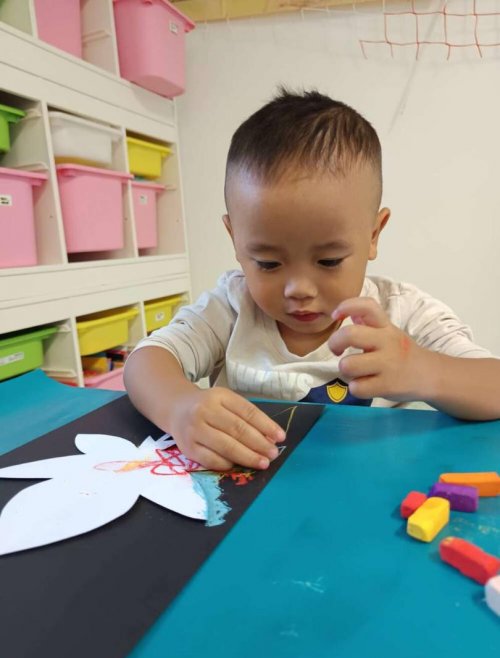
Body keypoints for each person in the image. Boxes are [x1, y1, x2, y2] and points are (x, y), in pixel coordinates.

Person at [124, 88, 500, 471]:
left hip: (367, 487)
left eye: (329, 261)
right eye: (269, 263)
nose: (299, 289)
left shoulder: (402, 312)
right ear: (235, 238)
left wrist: (423, 370)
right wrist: (180, 406)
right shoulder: (232, 307)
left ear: (373, 235)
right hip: (249, 490)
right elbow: (146, 361)